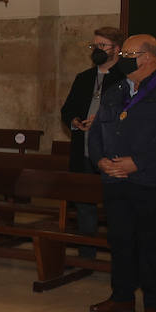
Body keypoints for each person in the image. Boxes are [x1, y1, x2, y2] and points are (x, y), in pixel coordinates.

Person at [87, 34, 156, 312]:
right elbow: (96, 131)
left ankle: (152, 303)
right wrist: (101, 161)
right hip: (115, 181)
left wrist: (137, 163)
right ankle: (122, 295)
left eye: (127, 54)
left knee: (152, 243)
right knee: (120, 240)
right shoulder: (115, 89)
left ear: (147, 58)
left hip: (153, 181)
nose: (121, 58)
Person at [60, 27, 126, 258]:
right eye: (94, 46)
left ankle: (120, 256)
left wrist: (104, 120)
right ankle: (86, 256)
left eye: (102, 46)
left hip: (111, 155)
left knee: (115, 209)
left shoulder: (125, 79)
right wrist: (75, 121)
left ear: (117, 49)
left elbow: (130, 115)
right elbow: (67, 110)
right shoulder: (83, 78)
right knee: (84, 206)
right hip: (83, 152)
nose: (96, 50)